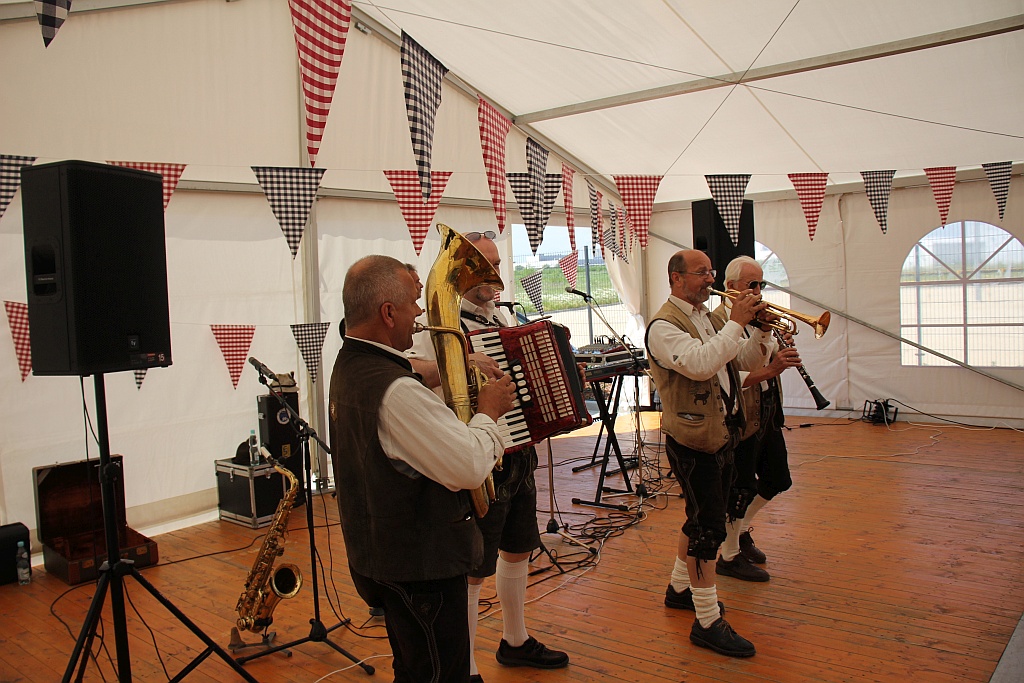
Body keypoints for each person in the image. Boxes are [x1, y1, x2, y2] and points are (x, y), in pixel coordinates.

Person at [328, 254, 517, 683]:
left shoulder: (350, 364)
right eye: (415, 303)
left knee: (414, 667)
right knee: (437, 672)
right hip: (420, 566)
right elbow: (469, 466)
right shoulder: (395, 390)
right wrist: (489, 412)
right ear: (387, 312)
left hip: (382, 554)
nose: (420, 315)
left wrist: (451, 370)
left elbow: (406, 376)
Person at [407, 230, 570, 680]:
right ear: (460, 273)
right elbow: (417, 382)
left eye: (496, 267)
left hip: (516, 449)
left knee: (518, 549)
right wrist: (456, 366)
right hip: (476, 455)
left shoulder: (502, 316)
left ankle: (514, 640)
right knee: (474, 566)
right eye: (482, 268)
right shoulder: (437, 325)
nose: (492, 279)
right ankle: (468, 665)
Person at [644, 248, 770, 658]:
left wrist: (762, 331)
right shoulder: (663, 326)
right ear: (676, 278)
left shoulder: (704, 317)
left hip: (720, 433)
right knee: (708, 531)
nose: (709, 279)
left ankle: (680, 589)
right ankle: (706, 620)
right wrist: (735, 323)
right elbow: (700, 364)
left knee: (699, 519)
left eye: (711, 272)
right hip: (693, 439)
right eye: (702, 273)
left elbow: (739, 360)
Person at [712, 256, 801, 580]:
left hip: (767, 408)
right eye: (752, 284)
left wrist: (776, 347)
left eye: (761, 284)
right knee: (742, 487)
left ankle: (739, 531)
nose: (758, 290)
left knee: (778, 479)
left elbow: (764, 359)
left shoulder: (757, 317)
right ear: (732, 286)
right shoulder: (720, 319)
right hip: (742, 415)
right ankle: (729, 553)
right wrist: (769, 367)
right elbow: (729, 375)